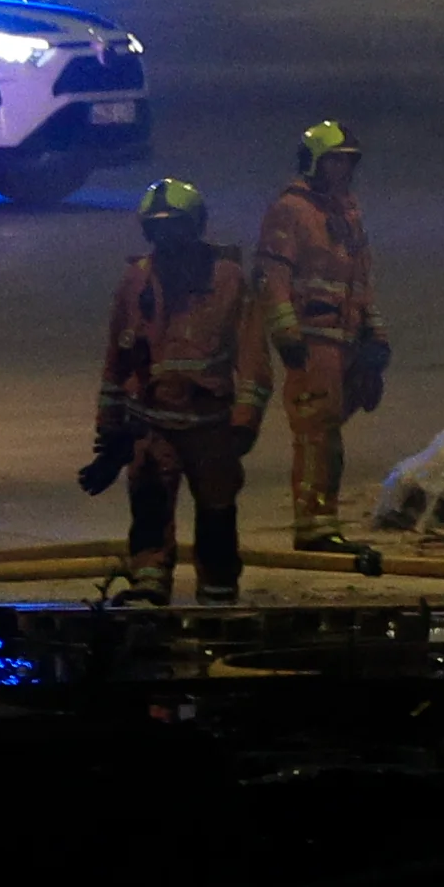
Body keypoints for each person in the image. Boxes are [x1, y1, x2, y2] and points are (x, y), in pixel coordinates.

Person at [83, 174, 267, 602]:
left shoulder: (228, 280)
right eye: (159, 228)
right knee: (149, 510)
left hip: (211, 427)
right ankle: (148, 591)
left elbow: (254, 358)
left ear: (196, 226)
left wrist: (244, 421)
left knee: (217, 516)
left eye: (176, 226)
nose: (168, 237)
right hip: (151, 428)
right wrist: (110, 433)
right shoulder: (136, 282)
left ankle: (218, 594)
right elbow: (118, 360)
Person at [254, 119, 385, 550]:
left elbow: (361, 279)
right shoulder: (292, 210)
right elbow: (273, 275)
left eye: (348, 163)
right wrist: (287, 335)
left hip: (343, 340)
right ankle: (314, 525)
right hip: (312, 339)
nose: (342, 171)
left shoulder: (346, 211)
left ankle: (323, 520)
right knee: (316, 434)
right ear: (314, 162)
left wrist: (375, 336)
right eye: (334, 162)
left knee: (329, 434)